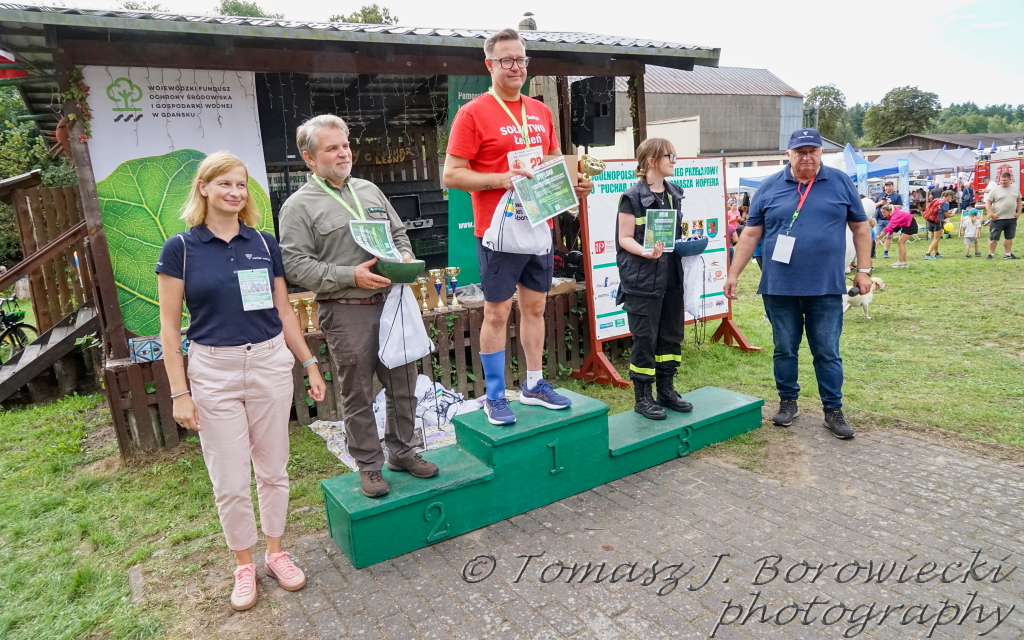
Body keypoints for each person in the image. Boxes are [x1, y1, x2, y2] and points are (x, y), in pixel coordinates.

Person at [157, 152, 326, 611]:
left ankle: (276, 553)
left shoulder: (264, 243)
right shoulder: (181, 249)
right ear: (204, 188)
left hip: (269, 362)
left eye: (241, 184)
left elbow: (284, 311)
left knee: (273, 470)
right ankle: (244, 564)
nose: (235, 192)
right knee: (230, 479)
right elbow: (169, 328)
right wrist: (180, 392)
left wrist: (309, 362)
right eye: (224, 183)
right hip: (214, 370)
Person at [279, 114, 437, 499]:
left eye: (346, 145)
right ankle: (369, 465)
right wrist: (350, 275)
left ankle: (402, 452)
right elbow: (295, 265)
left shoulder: (369, 190)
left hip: (392, 303)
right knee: (358, 393)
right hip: (346, 309)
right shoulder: (298, 206)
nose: (343, 153)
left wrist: (403, 257)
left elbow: (399, 234)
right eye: (332, 148)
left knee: (403, 384)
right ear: (309, 158)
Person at [442, 27, 592, 425]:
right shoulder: (472, 113)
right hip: (499, 230)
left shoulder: (540, 111)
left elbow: (556, 163)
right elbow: (451, 175)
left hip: (538, 225)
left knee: (536, 307)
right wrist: (500, 179)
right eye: (506, 60)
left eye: (521, 59)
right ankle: (494, 395)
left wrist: (576, 182)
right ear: (489, 65)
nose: (515, 67)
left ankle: (534, 383)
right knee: (496, 312)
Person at [724, 128, 871, 440]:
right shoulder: (769, 186)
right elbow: (750, 234)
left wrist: (864, 270)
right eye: (800, 152)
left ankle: (833, 410)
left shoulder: (840, 182)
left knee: (827, 350)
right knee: (784, 348)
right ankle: (788, 402)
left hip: (826, 286)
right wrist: (733, 274)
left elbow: (860, 227)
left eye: (812, 151)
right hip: (779, 287)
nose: (806, 157)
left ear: (820, 153)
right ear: (788, 154)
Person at [615, 138, 693, 420]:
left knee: (671, 336)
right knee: (645, 339)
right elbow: (624, 238)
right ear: (651, 161)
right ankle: (643, 398)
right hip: (642, 280)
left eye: (675, 156)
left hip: (671, 276)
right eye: (669, 156)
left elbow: (673, 235)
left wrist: (689, 244)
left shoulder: (675, 193)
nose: (674, 161)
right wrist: (645, 252)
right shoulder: (631, 197)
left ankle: (666, 391)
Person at [983, 171, 1022, 259]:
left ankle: (1008, 254)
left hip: (1011, 218)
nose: (1002, 182)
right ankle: (991, 254)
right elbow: (988, 203)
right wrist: (991, 213)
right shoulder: (994, 190)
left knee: (1009, 237)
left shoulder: (1015, 188)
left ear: (1010, 180)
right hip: (997, 218)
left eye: (1005, 180)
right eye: (1001, 180)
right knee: (993, 237)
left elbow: (1019, 201)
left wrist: (1019, 212)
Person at [872, 181, 902, 258]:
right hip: (879, 219)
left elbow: (900, 206)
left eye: (889, 186)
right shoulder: (880, 195)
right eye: (886, 186)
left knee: (889, 236)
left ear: (892, 187)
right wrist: (880, 203)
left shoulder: (897, 196)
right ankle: (873, 252)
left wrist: (890, 205)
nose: (888, 188)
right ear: (884, 187)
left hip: (890, 219)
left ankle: (886, 252)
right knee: (876, 236)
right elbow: (874, 205)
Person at [923, 190, 954, 259]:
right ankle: (927, 254)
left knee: (934, 239)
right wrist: (951, 215)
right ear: (949, 196)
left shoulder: (936, 200)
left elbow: (938, 210)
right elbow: (946, 215)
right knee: (936, 239)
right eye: (951, 197)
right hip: (938, 221)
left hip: (930, 219)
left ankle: (937, 253)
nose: (951, 199)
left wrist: (947, 211)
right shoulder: (946, 203)